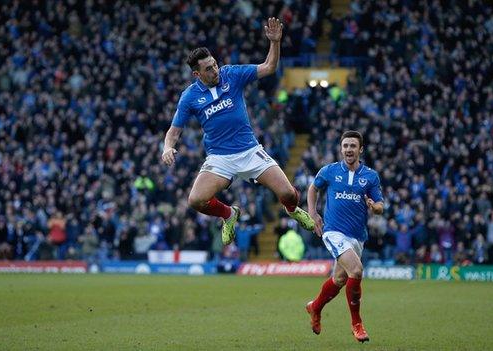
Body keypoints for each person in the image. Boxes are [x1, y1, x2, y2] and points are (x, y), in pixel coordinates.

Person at [160, 17, 314, 245]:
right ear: (197, 74)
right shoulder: (190, 97)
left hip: (250, 151)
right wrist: (167, 148)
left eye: (214, 64)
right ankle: (228, 215)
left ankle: (293, 210)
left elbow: (269, 67)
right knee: (195, 200)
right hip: (220, 158)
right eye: (208, 68)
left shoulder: (232, 74)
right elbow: (174, 131)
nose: (215, 69)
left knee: (288, 194)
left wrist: (275, 42)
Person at [305, 130, 384, 343]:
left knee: (340, 279)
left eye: (353, 146)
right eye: (345, 146)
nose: (349, 149)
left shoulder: (370, 176)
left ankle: (315, 307)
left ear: (360, 150)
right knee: (356, 270)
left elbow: (380, 206)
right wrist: (313, 214)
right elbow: (313, 189)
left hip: (357, 236)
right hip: (333, 232)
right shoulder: (329, 171)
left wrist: (374, 207)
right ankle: (357, 324)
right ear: (341, 149)